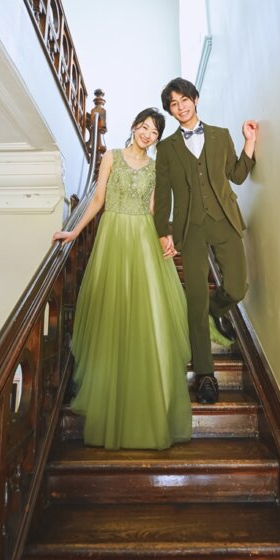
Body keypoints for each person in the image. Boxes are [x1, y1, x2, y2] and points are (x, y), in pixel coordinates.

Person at [53, 108, 192, 450]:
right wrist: (73, 232)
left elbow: (155, 210)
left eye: (154, 131)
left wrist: (167, 238)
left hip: (143, 240)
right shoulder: (111, 157)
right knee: (112, 314)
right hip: (113, 236)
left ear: (157, 138)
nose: (147, 134)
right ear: (133, 126)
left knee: (146, 315)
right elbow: (98, 200)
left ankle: (147, 398)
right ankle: (110, 397)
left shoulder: (156, 168)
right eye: (144, 127)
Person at [154, 78, 258, 405]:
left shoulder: (221, 135)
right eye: (174, 104)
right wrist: (163, 231)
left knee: (238, 288)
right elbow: (163, 194)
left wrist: (249, 142)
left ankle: (216, 310)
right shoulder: (166, 148)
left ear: (195, 99)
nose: (181, 107)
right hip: (190, 229)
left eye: (184, 99)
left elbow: (237, 175)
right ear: (170, 111)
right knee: (195, 299)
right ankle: (205, 374)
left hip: (224, 220)